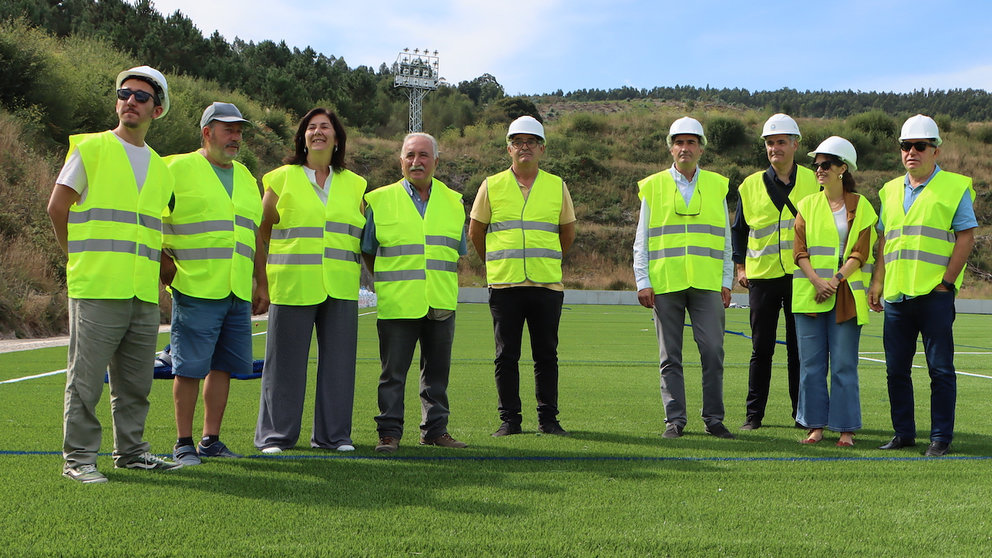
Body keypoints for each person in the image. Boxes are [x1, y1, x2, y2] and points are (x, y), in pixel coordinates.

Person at [47, 65, 180, 483]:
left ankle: (132, 452)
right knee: (85, 379)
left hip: (142, 291)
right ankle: (79, 459)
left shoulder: (160, 169)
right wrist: (77, 258)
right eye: (125, 94)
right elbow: (57, 207)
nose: (130, 101)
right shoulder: (92, 149)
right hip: (98, 284)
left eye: (141, 97)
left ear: (157, 111)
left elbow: (148, 229)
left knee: (136, 382)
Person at [254, 108, 367, 453]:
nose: (318, 132)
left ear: (337, 138)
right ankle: (276, 437)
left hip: (340, 287)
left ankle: (333, 437)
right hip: (291, 283)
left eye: (325, 128)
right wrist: (261, 282)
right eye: (312, 128)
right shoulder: (282, 178)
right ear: (303, 137)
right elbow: (261, 233)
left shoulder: (355, 185)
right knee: (283, 366)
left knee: (339, 365)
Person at [161, 102, 263, 465]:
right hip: (195, 287)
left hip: (236, 289)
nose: (235, 137)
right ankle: (183, 442)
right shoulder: (176, 168)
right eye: (228, 130)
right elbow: (148, 219)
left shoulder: (248, 177)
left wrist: (260, 282)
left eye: (239, 131)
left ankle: (211, 440)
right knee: (188, 367)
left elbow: (254, 235)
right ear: (207, 132)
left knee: (224, 367)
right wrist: (167, 270)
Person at [869, 115, 976, 457]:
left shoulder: (954, 187)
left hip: (935, 295)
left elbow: (966, 237)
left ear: (935, 150)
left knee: (940, 369)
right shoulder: (888, 191)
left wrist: (947, 283)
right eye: (905, 146)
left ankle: (941, 438)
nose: (911, 152)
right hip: (897, 297)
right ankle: (904, 434)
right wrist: (878, 282)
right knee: (895, 370)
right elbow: (885, 240)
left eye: (919, 146)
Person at [468, 115, 576, 437]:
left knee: (546, 355)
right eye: (517, 142)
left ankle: (548, 419)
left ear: (542, 148)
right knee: (506, 356)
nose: (524, 147)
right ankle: (510, 420)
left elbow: (567, 232)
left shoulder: (557, 186)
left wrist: (551, 258)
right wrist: (496, 264)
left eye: (531, 141)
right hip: (505, 284)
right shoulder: (491, 185)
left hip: (546, 284)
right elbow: (476, 232)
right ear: (508, 149)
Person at [362, 132, 468, 453]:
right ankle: (389, 433)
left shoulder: (454, 201)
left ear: (436, 161)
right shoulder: (379, 200)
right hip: (398, 302)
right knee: (392, 375)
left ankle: (435, 430)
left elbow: (457, 252)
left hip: (441, 301)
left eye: (423, 155)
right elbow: (368, 249)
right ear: (401, 161)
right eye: (410, 156)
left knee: (437, 375)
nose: (416, 161)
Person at [633, 117, 735, 440]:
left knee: (713, 351)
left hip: (707, 283)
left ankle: (713, 419)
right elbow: (642, 238)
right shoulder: (652, 186)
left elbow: (725, 239)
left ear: (701, 148)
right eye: (679, 142)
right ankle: (674, 420)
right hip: (665, 284)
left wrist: (726, 280)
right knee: (669, 356)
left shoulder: (718, 185)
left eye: (691, 142)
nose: (684, 148)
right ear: (670, 148)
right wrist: (642, 280)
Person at [732, 114, 819, 430]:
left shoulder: (814, 181)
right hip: (763, 277)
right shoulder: (750, 185)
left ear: (795, 144)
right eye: (770, 143)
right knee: (761, 350)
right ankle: (753, 416)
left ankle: (803, 415)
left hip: (802, 277)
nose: (775, 148)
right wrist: (740, 266)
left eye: (781, 141)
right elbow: (739, 230)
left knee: (801, 351)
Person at [792, 137, 877, 447]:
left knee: (843, 364)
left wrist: (836, 279)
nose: (819, 169)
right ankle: (815, 426)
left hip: (845, 296)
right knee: (811, 365)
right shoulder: (806, 205)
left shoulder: (861, 206)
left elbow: (861, 251)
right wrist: (817, 281)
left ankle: (845, 429)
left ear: (843, 168)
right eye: (817, 164)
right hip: (810, 296)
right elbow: (799, 251)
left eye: (826, 164)